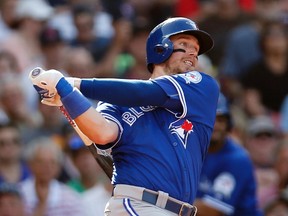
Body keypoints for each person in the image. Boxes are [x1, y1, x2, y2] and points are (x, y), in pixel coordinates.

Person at [29, 17, 220, 215]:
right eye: (184, 44)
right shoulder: (115, 101)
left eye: (196, 50)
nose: (193, 53)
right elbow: (102, 133)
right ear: (160, 48)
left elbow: (146, 92)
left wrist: (73, 84)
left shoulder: (202, 86)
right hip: (136, 205)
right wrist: (67, 95)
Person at [194, 93, 262, 215]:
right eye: (212, 119)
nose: (217, 125)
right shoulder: (194, 151)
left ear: (228, 125)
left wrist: (171, 203)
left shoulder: (237, 159)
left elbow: (212, 211)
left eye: (221, 120)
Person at [19, 136, 85, 216]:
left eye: (52, 162)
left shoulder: (71, 198)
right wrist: (42, 205)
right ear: (30, 164)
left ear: (59, 167)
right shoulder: (18, 194)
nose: (47, 167)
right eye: (41, 162)